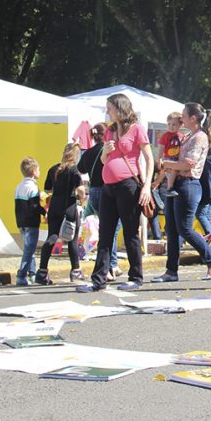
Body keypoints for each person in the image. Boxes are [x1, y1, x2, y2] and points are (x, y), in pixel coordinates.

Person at [76, 93, 154, 292]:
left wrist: (146, 187)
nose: (107, 111)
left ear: (120, 108)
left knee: (130, 232)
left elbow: (149, 159)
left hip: (128, 185)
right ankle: (98, 280)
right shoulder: (110, 130)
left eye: (109, 108)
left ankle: (136, 277)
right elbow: (103, 161)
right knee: (105, 233)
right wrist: (104, 152)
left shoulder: (137, 129)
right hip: (107, 187)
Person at [151, 102, 211, 283]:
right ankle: (171, 271)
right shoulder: (188, 137)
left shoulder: (200, 137)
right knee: (172, 229)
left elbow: (188, 163)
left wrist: (167, 164)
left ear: (193, 118)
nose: (181, 118)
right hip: (178, 184)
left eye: (183, 114)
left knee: (185, 228)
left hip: (189, 185)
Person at [77, 123, 123, 280]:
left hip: (94, 191)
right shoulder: (109, 149)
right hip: (107, 189)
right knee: (112, 230)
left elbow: (81, 169)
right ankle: (111, 266)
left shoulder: (89, 152)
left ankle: (112, 265)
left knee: (107, 229)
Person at [36, 143, 84, 285]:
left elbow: (48, 189)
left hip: (55, 207)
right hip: (69, 207)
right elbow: (81, 190)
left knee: (52, 236)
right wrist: (82, 198)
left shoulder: (53, 169)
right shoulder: (74, 170)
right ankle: (75, 272)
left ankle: (42, 272)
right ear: (76, 155)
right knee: (72, 240)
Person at [14, 157, 46, 286]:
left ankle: (32, 274)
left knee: (30, 249)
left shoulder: (19, 186)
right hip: (31, 223)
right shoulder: (33, 188)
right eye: (38, 169)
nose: (39, 171)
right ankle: (21, 275)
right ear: (33, 171)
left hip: (21, 223)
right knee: (29, 251)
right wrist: (45, 212)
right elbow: (35, 206)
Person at [152, 112, 183, 197]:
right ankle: (169, 188)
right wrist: (159, 159)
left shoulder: (182, 136)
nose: (170, 126)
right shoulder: (165, 136)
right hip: (169, 158)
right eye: (169, 124)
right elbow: (161, 148)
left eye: (174, 124)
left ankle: (157, 183)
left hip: (178, 158)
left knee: (166, 172)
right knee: (168, 170)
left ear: (181, 125)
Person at [195, 146, 211, 236]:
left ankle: (210, 234)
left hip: (209, 191)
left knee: (200, 214)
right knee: (207, 216)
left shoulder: (208, 163)